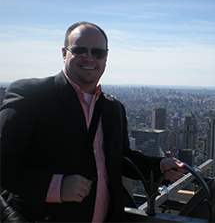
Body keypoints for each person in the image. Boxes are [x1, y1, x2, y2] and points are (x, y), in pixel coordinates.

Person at [0, 22, 185, 223]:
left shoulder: (113, 108)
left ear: (106, 57)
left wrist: (159, 165)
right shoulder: (31, 95)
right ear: (64, 53)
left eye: (98, 53)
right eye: (80, 50)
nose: (89, 58)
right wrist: (55, 187)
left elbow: (120, 158)